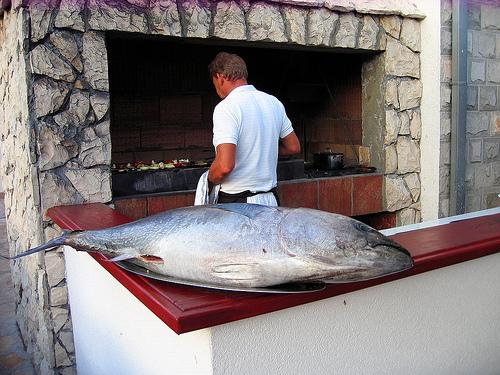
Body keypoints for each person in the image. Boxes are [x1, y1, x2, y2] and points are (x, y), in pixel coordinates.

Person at [207, 52, 301, 206]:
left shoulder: (226, 107)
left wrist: (209, 179)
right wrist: (263, 148)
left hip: (237, 204)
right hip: (270, 200)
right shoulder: (274, 103)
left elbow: (224, 166)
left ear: (220, 77)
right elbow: (293, 147)